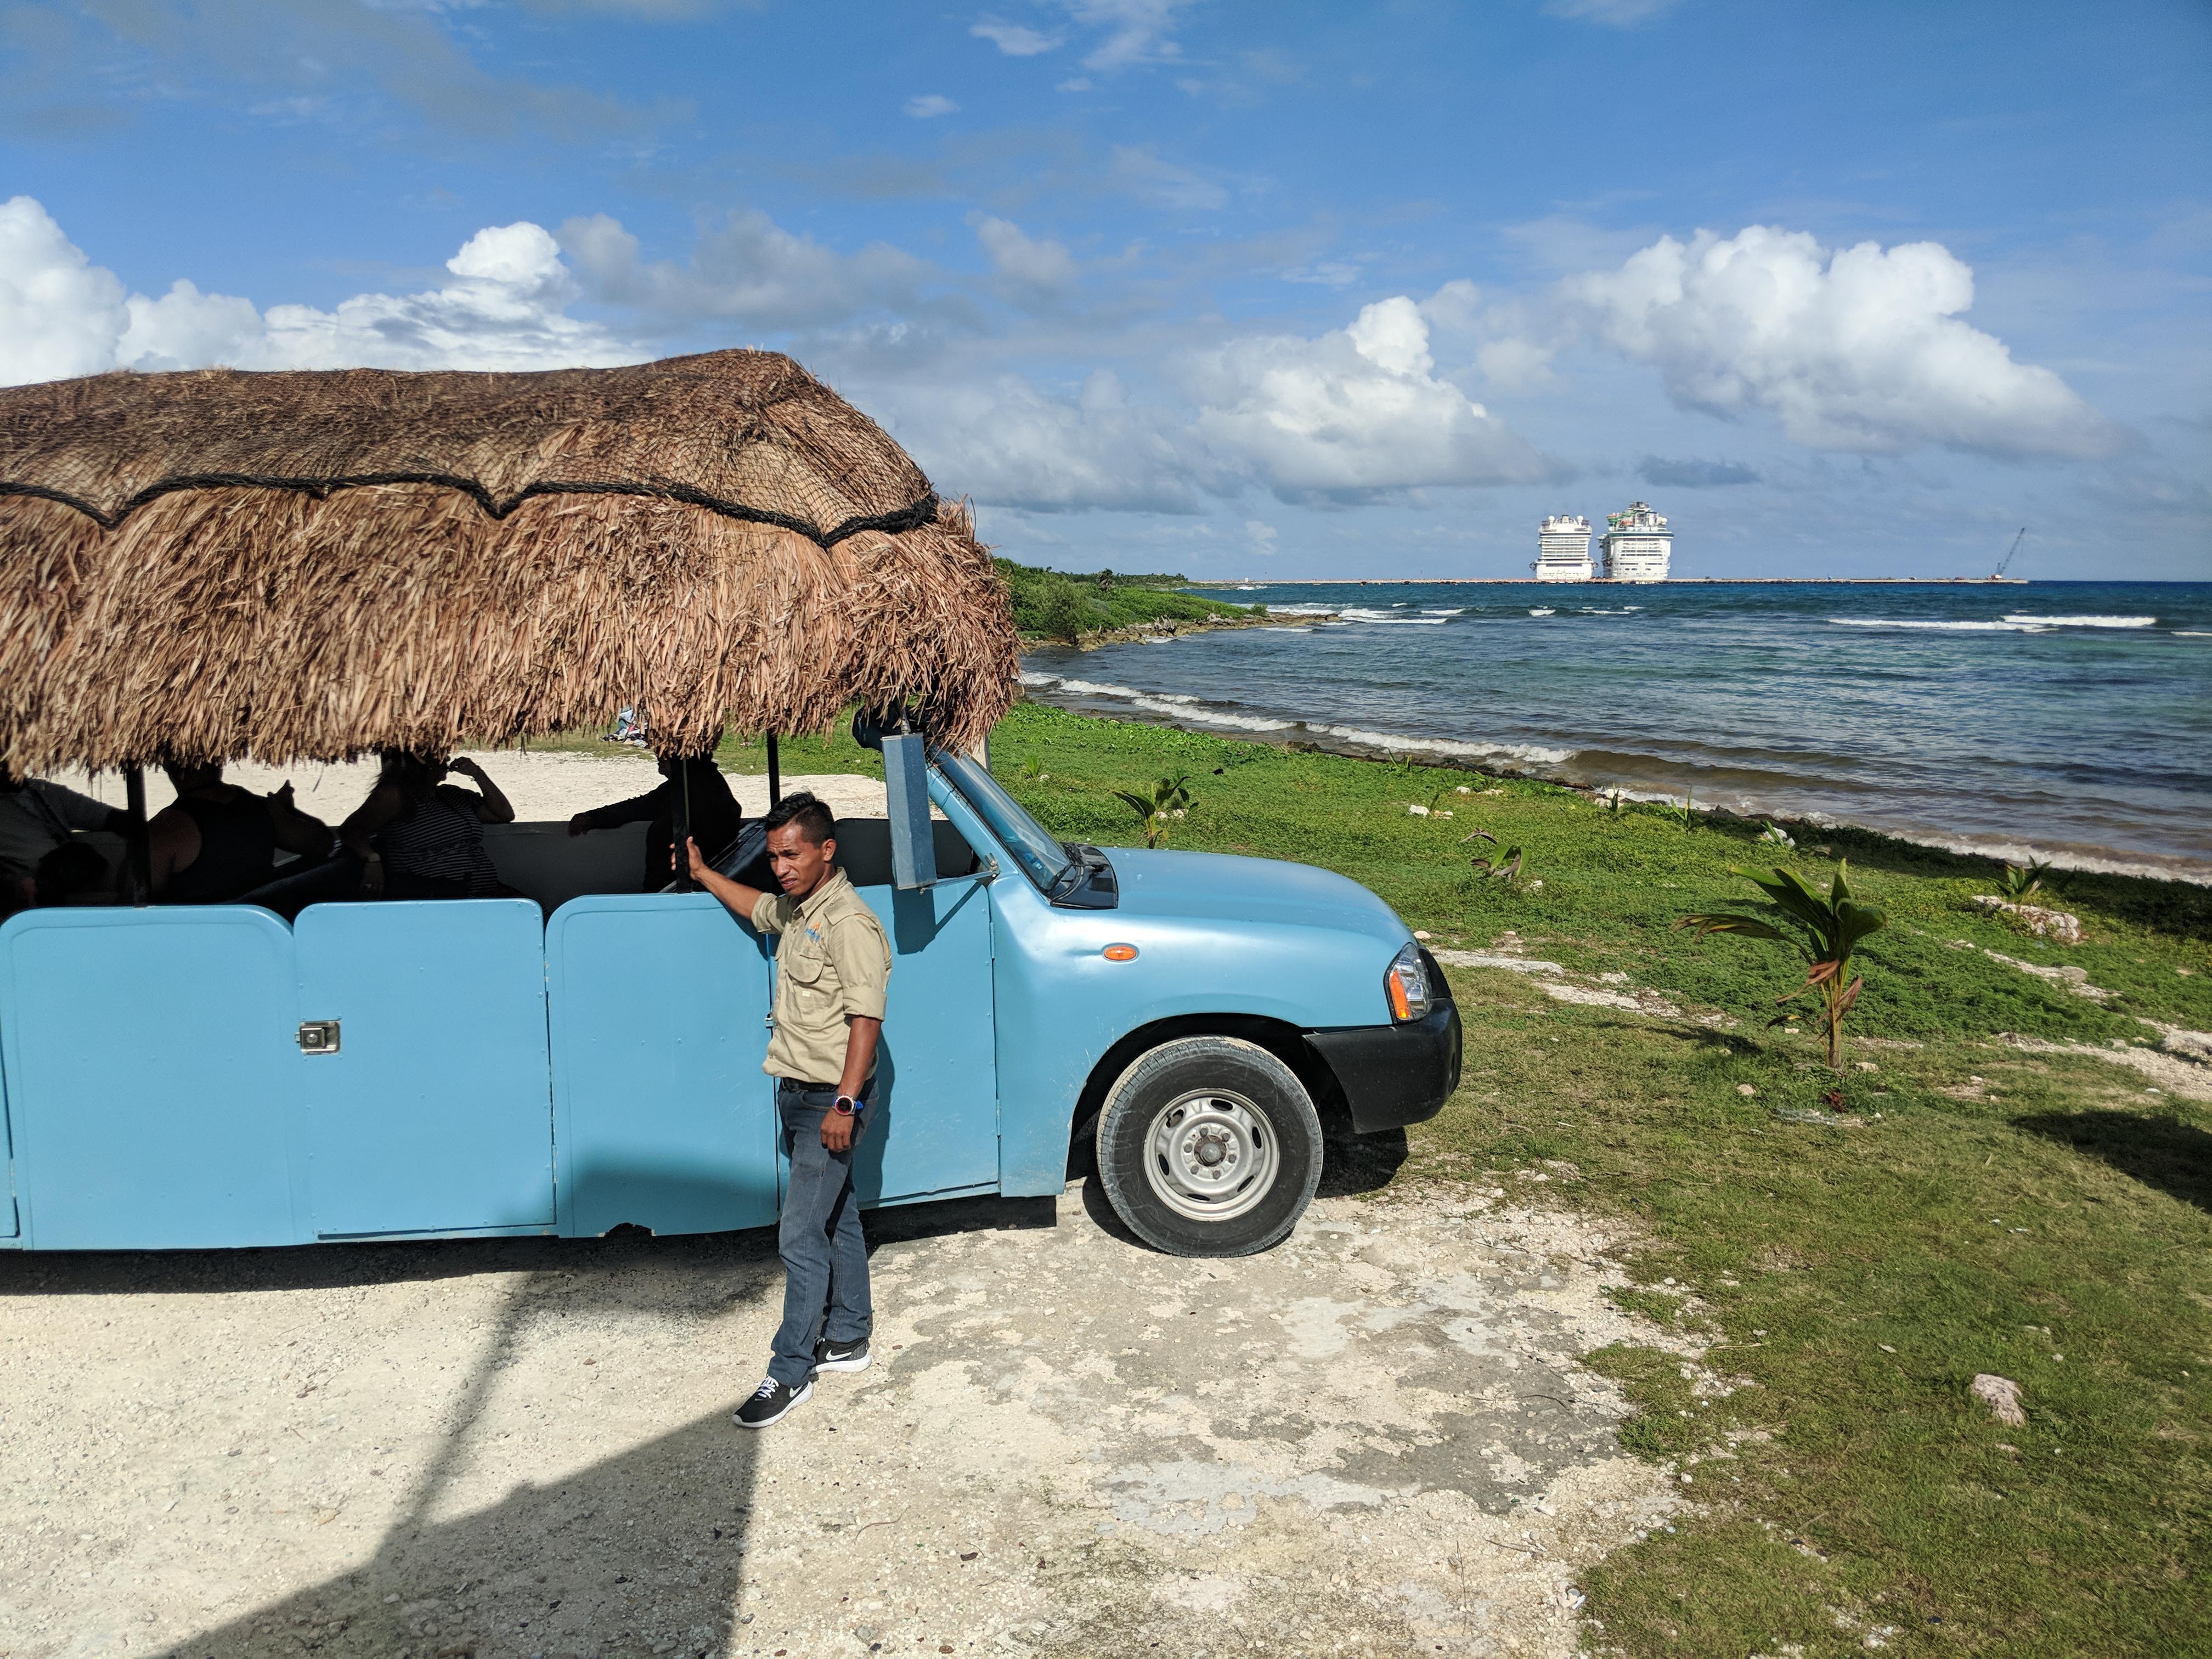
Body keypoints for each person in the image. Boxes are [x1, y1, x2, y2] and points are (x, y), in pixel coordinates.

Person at [682, 792, 891, 1430]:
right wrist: (704, 875)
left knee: (799, 1233)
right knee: (836, 1217)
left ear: (827, 850)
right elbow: (761, 910)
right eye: (773, 857)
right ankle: (849, 1334)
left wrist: (846, 1105)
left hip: (831, 1096)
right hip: (801, 1094)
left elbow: (866, 1021)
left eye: (792, 855)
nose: (780, 868)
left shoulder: (847, 922)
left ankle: (792, 1369)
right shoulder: (802, 910)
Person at [145, 763, 333, 904]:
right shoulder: (259, 808)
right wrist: (285, 811)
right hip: (261, 921)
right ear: (218, 762)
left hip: (199, 934)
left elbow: (135, 899)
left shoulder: (168, 828)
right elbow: (323, 843)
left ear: (177, 772)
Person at [340, 752, 516, 900]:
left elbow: (504, 814)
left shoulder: (452, 794)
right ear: (421, 762)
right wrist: (372, 859)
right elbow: (351, 829)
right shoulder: (395, 796)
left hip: (479, 891)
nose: (447, 758)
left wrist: (477, 774)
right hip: (436, 895)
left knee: (539, 914)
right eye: (440, 755)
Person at [568, 747, 744, 892]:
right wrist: (594, 817)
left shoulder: (699, 788)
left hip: (684, 893)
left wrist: (593, 817)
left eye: (667, 751)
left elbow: (641, 807)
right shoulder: (690, 784)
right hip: (676, 889)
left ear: (686, 756)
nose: (658, 753)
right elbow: (640, 806)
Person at [0, 772, 130, 917]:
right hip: (32, 890)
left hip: (73, 874)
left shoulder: (43, 791)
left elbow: (103, 816)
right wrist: (16, 883)